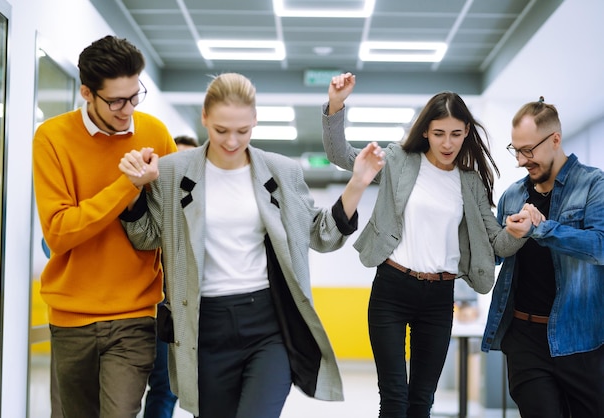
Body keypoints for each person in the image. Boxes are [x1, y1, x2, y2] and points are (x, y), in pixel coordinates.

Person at [118, 72, 385, 418]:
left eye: (242, 131)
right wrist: (134, 191)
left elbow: (322, 234)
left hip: (268, 325)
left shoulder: (281, 171)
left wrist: (358, 183)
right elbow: (144, 236)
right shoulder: (171, 172)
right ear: (205, 118)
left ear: (255, 120)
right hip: (204, 326)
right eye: (221, 130)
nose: (231, 141)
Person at [321, 72, 536, 418]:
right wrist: (336, 104)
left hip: (438, 298)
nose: (447, 143)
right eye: (438, 134)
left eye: (455, 134)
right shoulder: (398, 162)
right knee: (393, 398)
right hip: (391, 288)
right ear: (425, 131)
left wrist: (516, 231)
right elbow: (339, 154)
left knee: (422, 401)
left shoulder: (471, 183)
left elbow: (498, 244)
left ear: (466, 132)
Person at [32, 35, 177, 418]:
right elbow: (59, 232)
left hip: (135, 314)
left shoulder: (155, 134)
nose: (127, 109)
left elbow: (176, 221)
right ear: (86, 93)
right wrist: (127, 183)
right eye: (115, 100)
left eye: (135, 96)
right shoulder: (51, 138)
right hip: (71, 318)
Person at [481, 98, 604, 417]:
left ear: (555, 140)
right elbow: (492, 255)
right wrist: (502, 234)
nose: (521, 160)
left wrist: (543, 228)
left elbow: (599, 246)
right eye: (516, 150)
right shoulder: (513, 195)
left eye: (528, 150)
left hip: (582, 340)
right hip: (524, 340)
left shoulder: (594, 185)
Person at [143, 134, 198, 418]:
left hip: (204, 313)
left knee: (208, 390)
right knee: (164, 389)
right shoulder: (156, 209)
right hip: (163, 312)